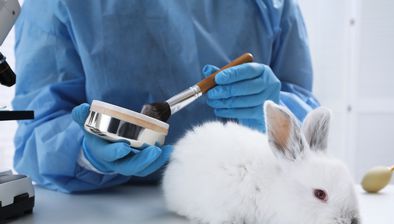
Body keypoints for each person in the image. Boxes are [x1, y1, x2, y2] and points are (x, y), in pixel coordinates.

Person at [12, 0, 319, 193]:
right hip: (103, 221)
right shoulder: (57, 4)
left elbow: (309, 117)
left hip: (243, 201)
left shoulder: (271, 5)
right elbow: (35, 135)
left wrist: (271, 113)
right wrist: (85, 154)